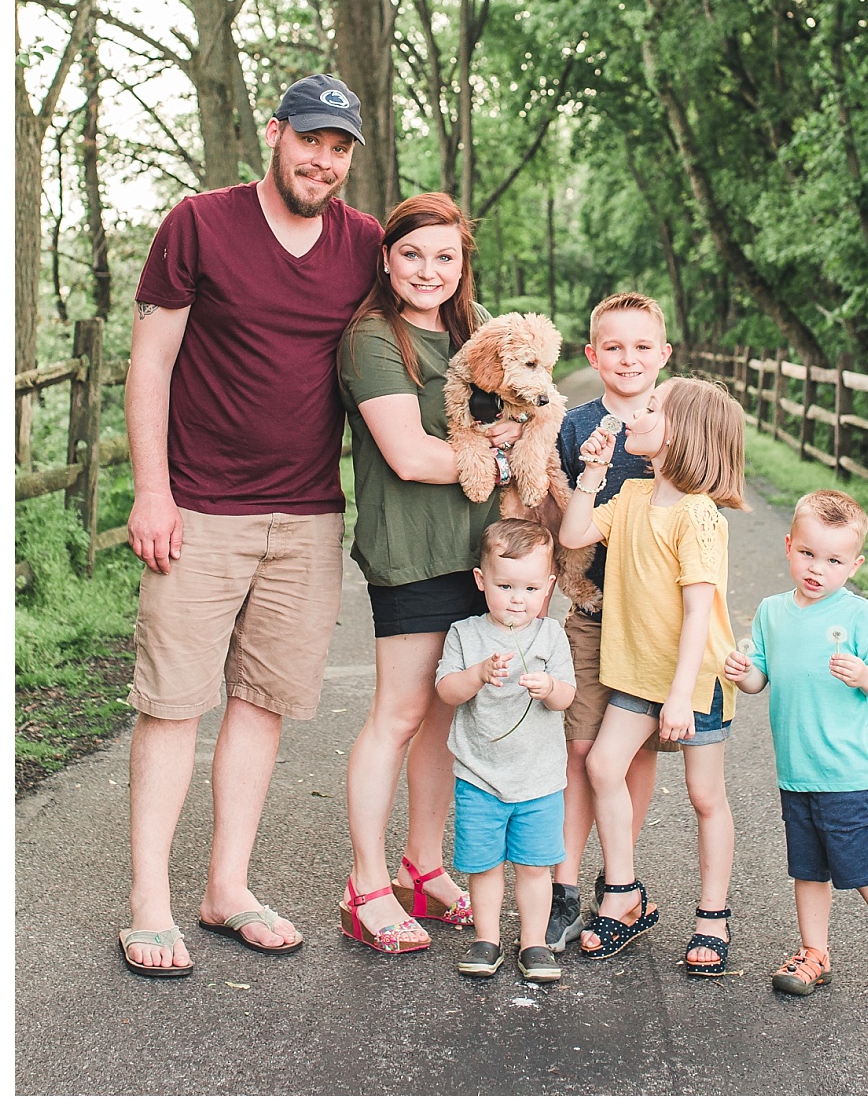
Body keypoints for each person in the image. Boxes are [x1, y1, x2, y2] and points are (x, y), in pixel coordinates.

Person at [120, 74, 382, 978]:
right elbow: (150, 361)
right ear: (274, 135)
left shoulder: (364, 246)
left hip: (307, 514)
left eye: (339, 147)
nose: (323, 159)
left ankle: (225, 887)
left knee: (263, 703)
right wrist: (151, 491)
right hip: (196, 507)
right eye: (309, 139)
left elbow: (415, 347)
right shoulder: (200, 223)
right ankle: (149, 900)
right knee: (170, 703)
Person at [337, 193, 522, 954]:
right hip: (411, 550)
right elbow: (411, 458)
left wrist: (515, 446)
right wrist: (501, 455)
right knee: (400, 714)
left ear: (461, 264)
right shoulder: (372, 338)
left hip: (478, 552)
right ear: (386, 259)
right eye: (413, 254)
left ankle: (422, 863)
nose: (429, 270)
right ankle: (365, 884)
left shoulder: (476, 332)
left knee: (445, 718)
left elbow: (527, 411)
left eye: (445, 256)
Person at [724, 488, 868, 1000]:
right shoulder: (772, 612)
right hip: (796, 770)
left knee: (866, 871)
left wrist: (864, 674)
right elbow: (761, 678)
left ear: (854, 565)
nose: (816, 568)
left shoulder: (857, 614)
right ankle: (814, 954)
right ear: (788, 546)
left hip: (848, 772)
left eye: (833, 560)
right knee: (808, 869)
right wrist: (743, 674)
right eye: (807, 553)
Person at [559, 375, 747, 966]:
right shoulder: (634, 496)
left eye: (654, 408)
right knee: (602, 765)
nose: (638, 411)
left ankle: (712, 915)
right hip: (638, 673)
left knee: (704, 795)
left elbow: (698, 614)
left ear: (682, 435)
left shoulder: (699, 517)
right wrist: (590, 476)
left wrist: (679, 698)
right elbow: (573, 534)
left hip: (694, 680)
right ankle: (623, 893)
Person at [547, 292, 682, 956]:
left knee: (629, 754)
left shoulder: (678, 424)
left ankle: (616, 881)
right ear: (592, 355)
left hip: (653, 621)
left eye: (641, 347)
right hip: (593, 612)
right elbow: (563, 522)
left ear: (663, 354)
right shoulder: (576, 427)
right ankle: (562, 888)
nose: (627, 359)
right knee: (578, 749)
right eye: (614, 347)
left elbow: (701, 522)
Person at [435, 519, 576, 981]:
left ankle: (534, 943)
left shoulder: (551, 636)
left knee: (535, 867)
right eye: (506, 585)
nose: (518, 598)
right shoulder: (465, 634)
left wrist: (549, 686)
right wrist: (477, 675)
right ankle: (487, 938)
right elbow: (447, 691)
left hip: (538, 779)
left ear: (549, 586)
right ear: (481, 581)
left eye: (531, 587)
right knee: (485, 865)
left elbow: (567, 697)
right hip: (481, 776)